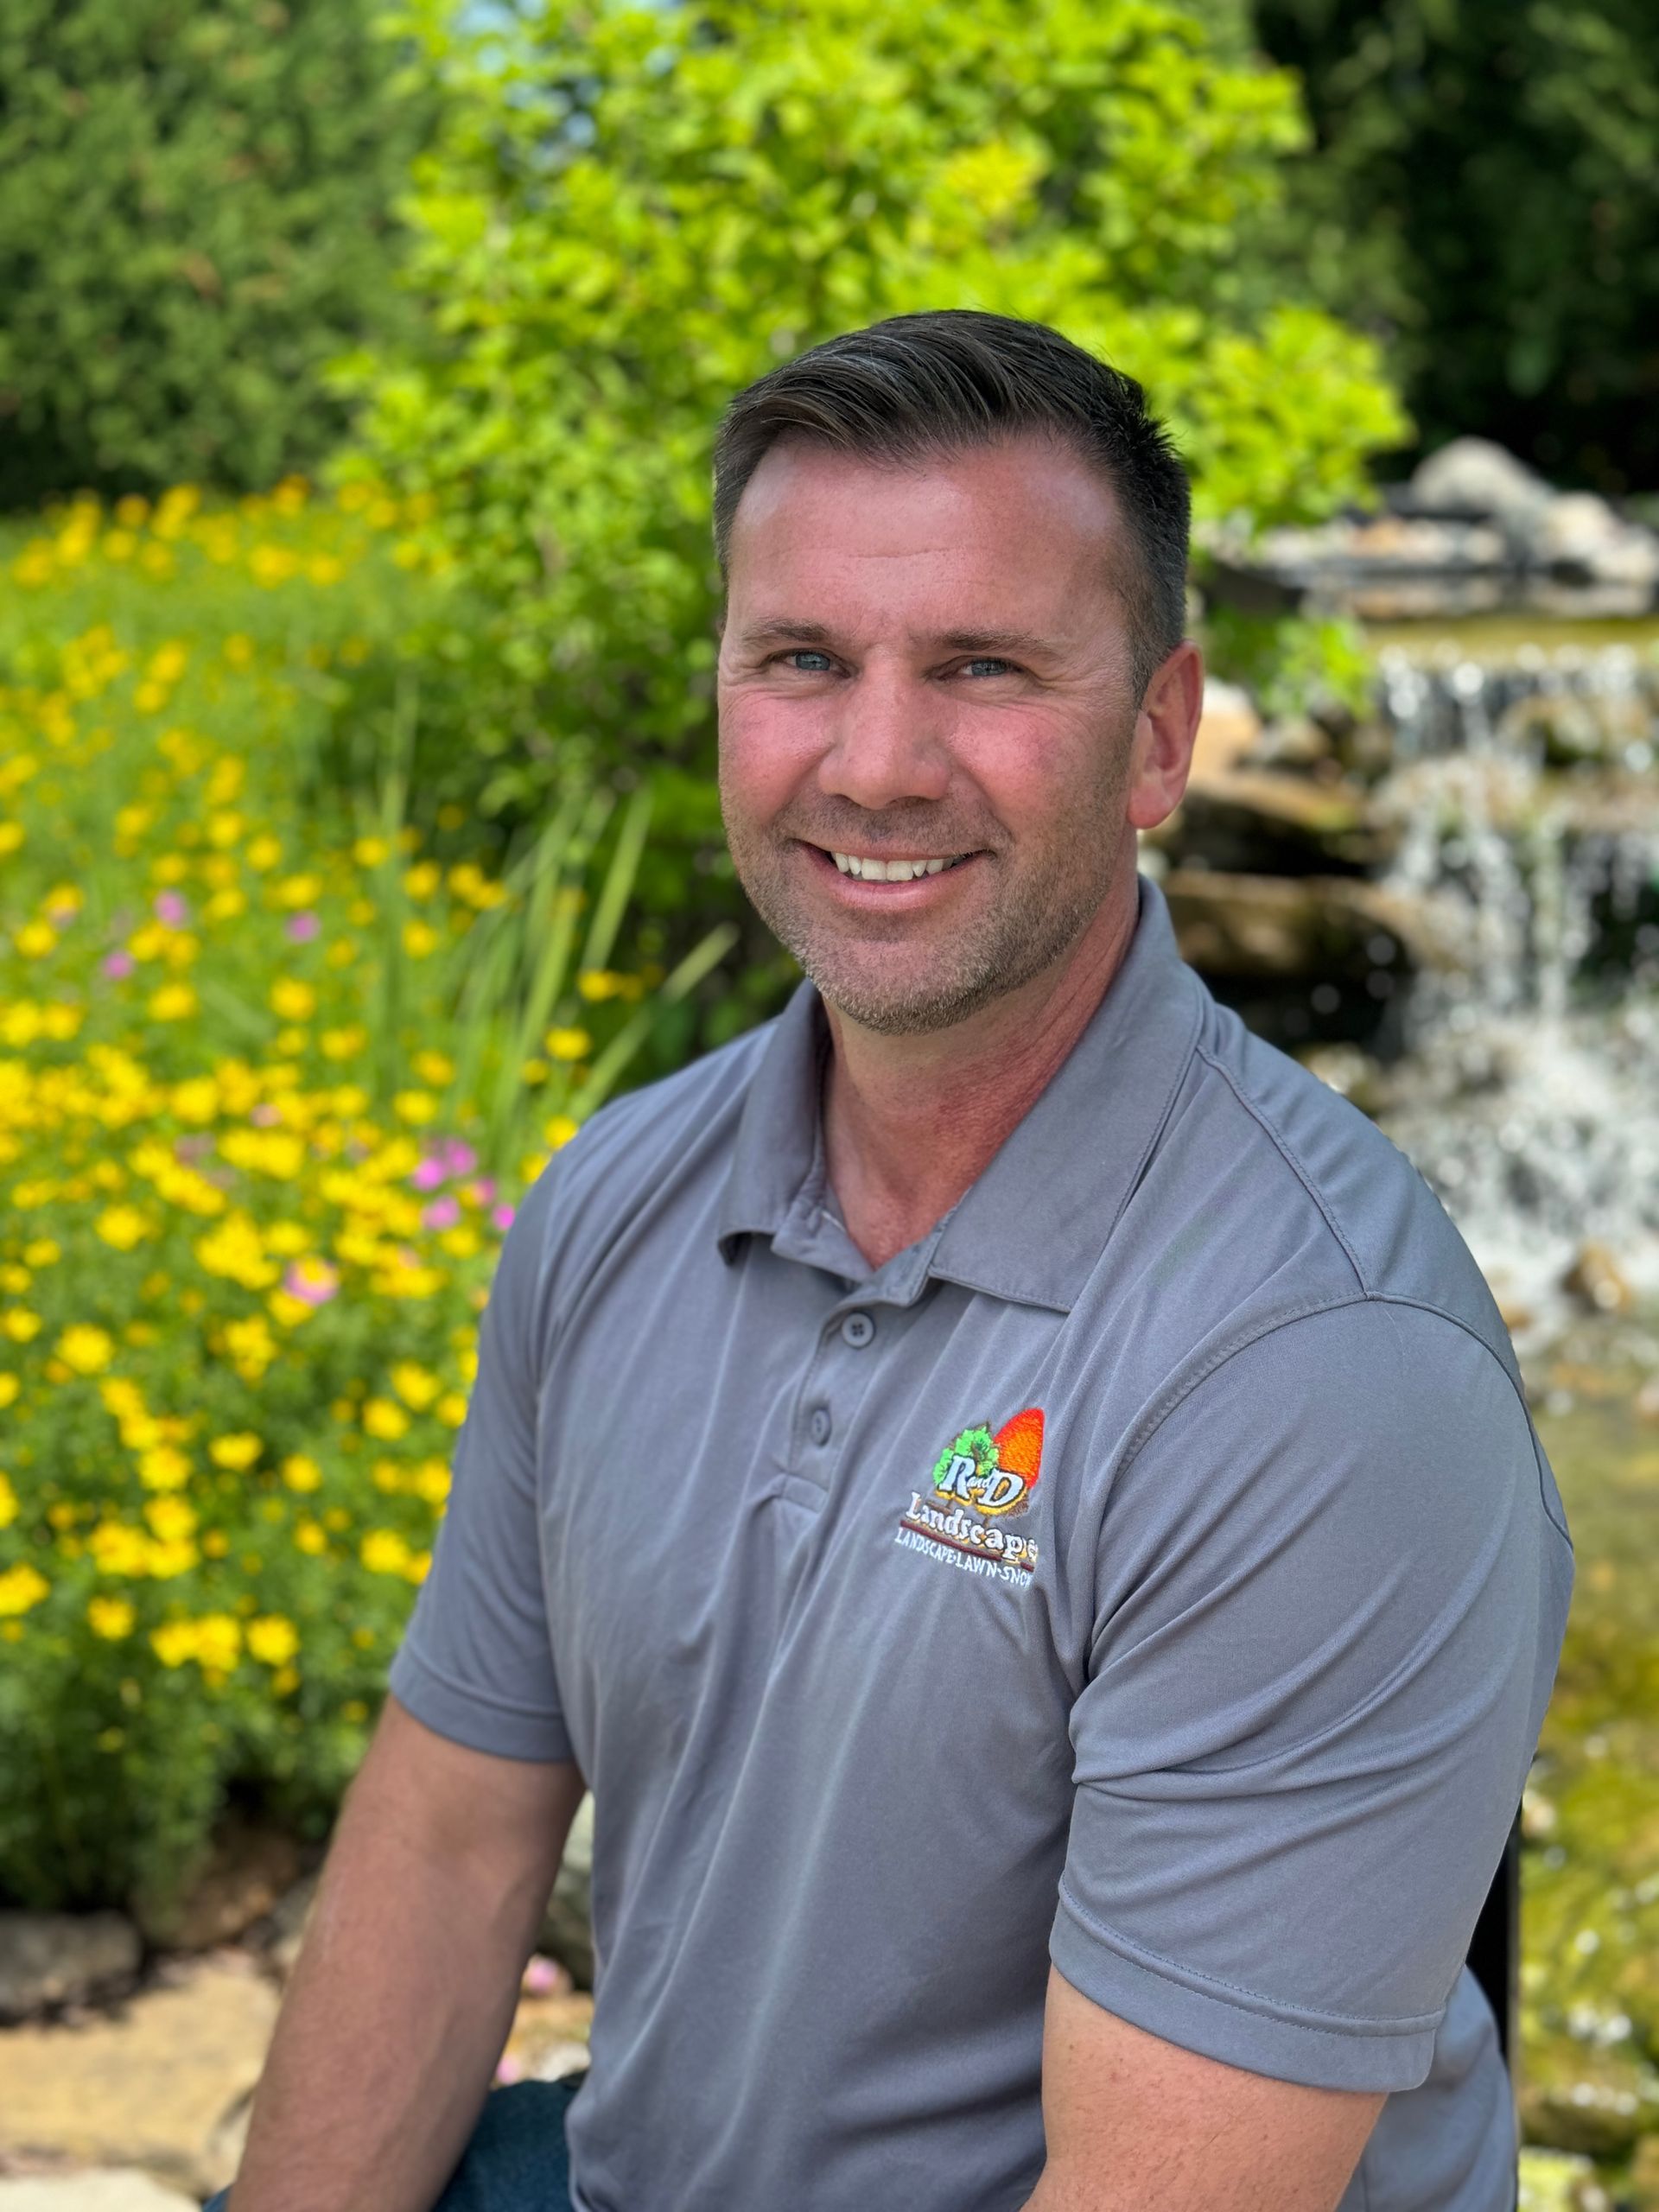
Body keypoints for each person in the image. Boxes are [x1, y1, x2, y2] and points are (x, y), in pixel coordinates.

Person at [210, 311, 1573, 2212]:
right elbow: (448, 1836)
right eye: (802, 660)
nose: (874, 762)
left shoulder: (1319, 1370)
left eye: (981, 666)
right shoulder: (619, 1202)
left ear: (1160, 733)